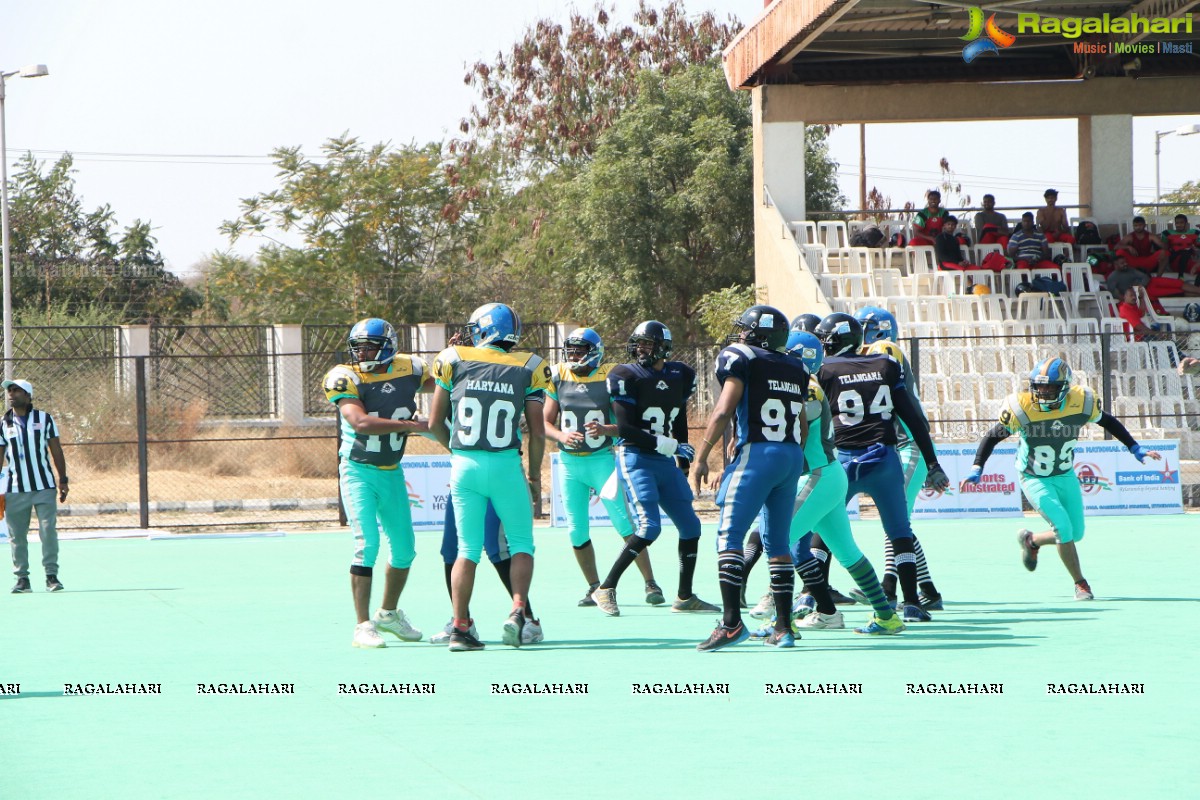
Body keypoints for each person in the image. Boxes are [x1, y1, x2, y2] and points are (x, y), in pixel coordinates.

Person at [748, 327, 906, 639]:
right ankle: (886, 616)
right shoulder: (806, 383)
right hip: (828, 476)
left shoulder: (804, 389)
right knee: (846, 552)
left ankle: (783, 621)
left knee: (778, 540)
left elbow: (791, 437)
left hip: (818, 475)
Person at [962, 358, 1160, 600]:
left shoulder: (1081, 402)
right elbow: (993, 436)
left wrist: (1134, 447)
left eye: (1050, 387)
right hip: (1034, 477)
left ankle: (1031, 540)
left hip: (1065, 474)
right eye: (1039, 386)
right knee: (1063, 528)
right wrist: (977, 465)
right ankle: (1081, 583)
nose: (1043, 392)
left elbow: (1107, 421)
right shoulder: (1023, 407)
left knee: (1075, 533)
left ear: (1064, 387)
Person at [814, 313, 951, 623]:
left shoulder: (829, 368)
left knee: (823, 526)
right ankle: (914, 600)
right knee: (899, 531)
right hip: (886, 458)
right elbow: (914, 418)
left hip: (848, 459)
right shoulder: (884, 365)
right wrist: (933, 462)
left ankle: (817, 598)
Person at [429, 302, 550, 651]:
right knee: (522, 544)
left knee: (466, 549)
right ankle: (518, 612)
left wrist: (458, 451)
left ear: (482, 329)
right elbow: (538, 433)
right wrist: (535, 477)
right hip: (505, 464)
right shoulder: (530, 366)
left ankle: (461, 629)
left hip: (464, 464)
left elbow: (436, 423)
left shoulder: (452, 358)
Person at [689, 306, 808, 650]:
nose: (740, 335)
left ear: (758, 335)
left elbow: (724, 409)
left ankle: (731, 625)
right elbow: (800, 424)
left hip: (759, 453)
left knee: (729, 536)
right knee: (778, 544)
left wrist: (701, 457)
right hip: (789, 453)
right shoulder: (796, 366)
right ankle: (783, 629)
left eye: (745, 330)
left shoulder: (741, 357)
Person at [590, 320, 717, 617]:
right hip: (636, 457)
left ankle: (684, 596)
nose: (641, 349)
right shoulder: (625, 374)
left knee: (691, 526)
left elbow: (680, 419)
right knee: (650, 527)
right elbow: (624, 428)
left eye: (648, 344)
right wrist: (671, 446)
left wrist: (683, 461)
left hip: (664, 461)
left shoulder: (681, 374)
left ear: (663, 348)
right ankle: (605, 587)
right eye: (639, 343)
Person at [323, 318, 431, 648]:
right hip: (358, 469)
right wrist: (413, 425)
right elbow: (360, 421)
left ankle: (388, 613)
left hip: (391, 471)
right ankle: (362, 625)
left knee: (405, 549)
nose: (362, 353)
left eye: (369, 346)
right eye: (358, 347)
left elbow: (445, 382)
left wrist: (451, 359)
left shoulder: (410, 367)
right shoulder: (346, 376)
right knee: (367, 544)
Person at [544, 327, 662, 607]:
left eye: (580, 350)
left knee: (625, 523)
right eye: (570, 350)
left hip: (601, 461)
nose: (573, 355)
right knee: (576, 530)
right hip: (570, 464)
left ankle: (650, 582)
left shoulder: (610, 374)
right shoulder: (559, 375)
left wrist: (605, 430)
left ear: (594, 351)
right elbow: (544, 422)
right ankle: (595, 587)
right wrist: (561, 435)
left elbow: (625, 422)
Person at [850, 306, 944, 609]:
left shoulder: (884, 349)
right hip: (901, 445)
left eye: (863, 326)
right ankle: (925, 588)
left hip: (908, 444)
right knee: (897, 523)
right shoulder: (879, 351)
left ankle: (892, 588)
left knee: (897, 523)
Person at [4, 380, 68, 594]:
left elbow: (56, 450)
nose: (11, 394)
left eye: (16, 390)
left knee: (48, 529)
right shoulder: (4, 424)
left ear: (28, 395)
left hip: (44, 486)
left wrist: (63, 479)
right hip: (15, 489)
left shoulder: (45, 419)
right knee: (17, 535)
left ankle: (51, 576)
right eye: (9, 390)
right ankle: (22, 578)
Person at [1104, 254, 1200, 306]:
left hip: (1152, 281)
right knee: (1178, 291)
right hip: (1147, 292)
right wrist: (1133, 297)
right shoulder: (1112, 277)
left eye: (1125, 262)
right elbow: (1115, 293)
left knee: (1179, 283)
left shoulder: (1130, 269)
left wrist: (1142, 285)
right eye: (1122, 263)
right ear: (1115, 265)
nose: (1125, 264)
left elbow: (1145, 277)